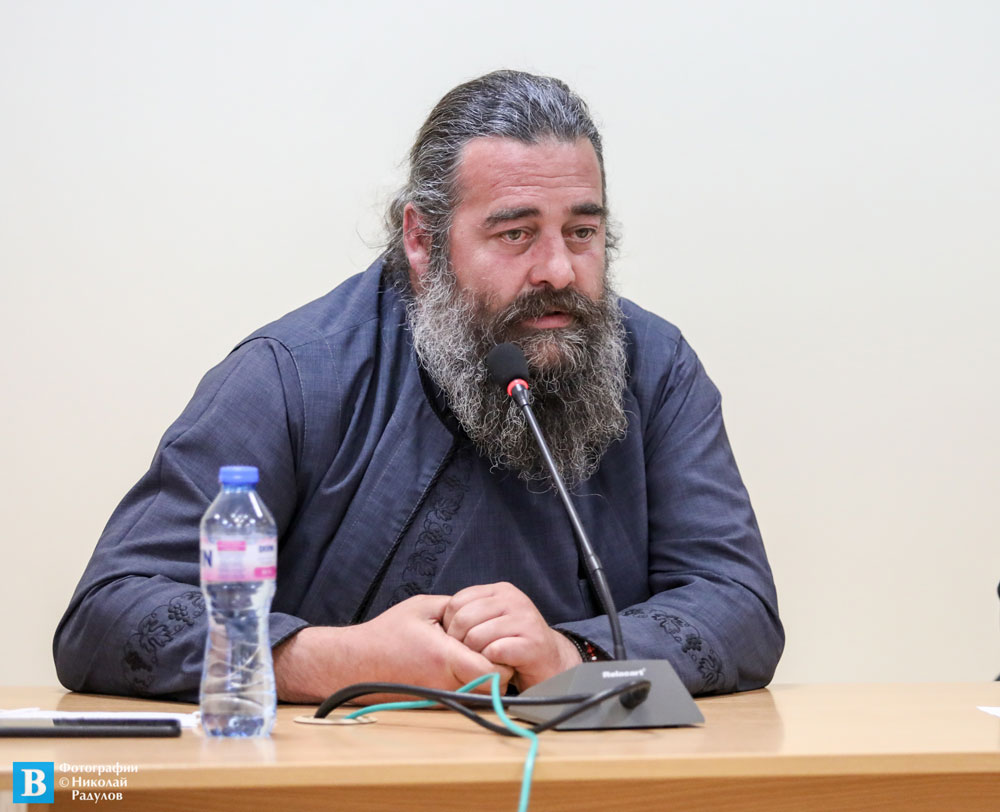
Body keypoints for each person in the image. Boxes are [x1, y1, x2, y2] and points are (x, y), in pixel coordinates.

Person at [53, 70, 783, 703]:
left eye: (582, 232)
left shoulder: (655, 367)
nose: (559, 270)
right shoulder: (294, 374)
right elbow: (106, 616)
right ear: (422, 240)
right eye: (516, 234)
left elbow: (739, 603)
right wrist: (337, 659)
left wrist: (573, 657)